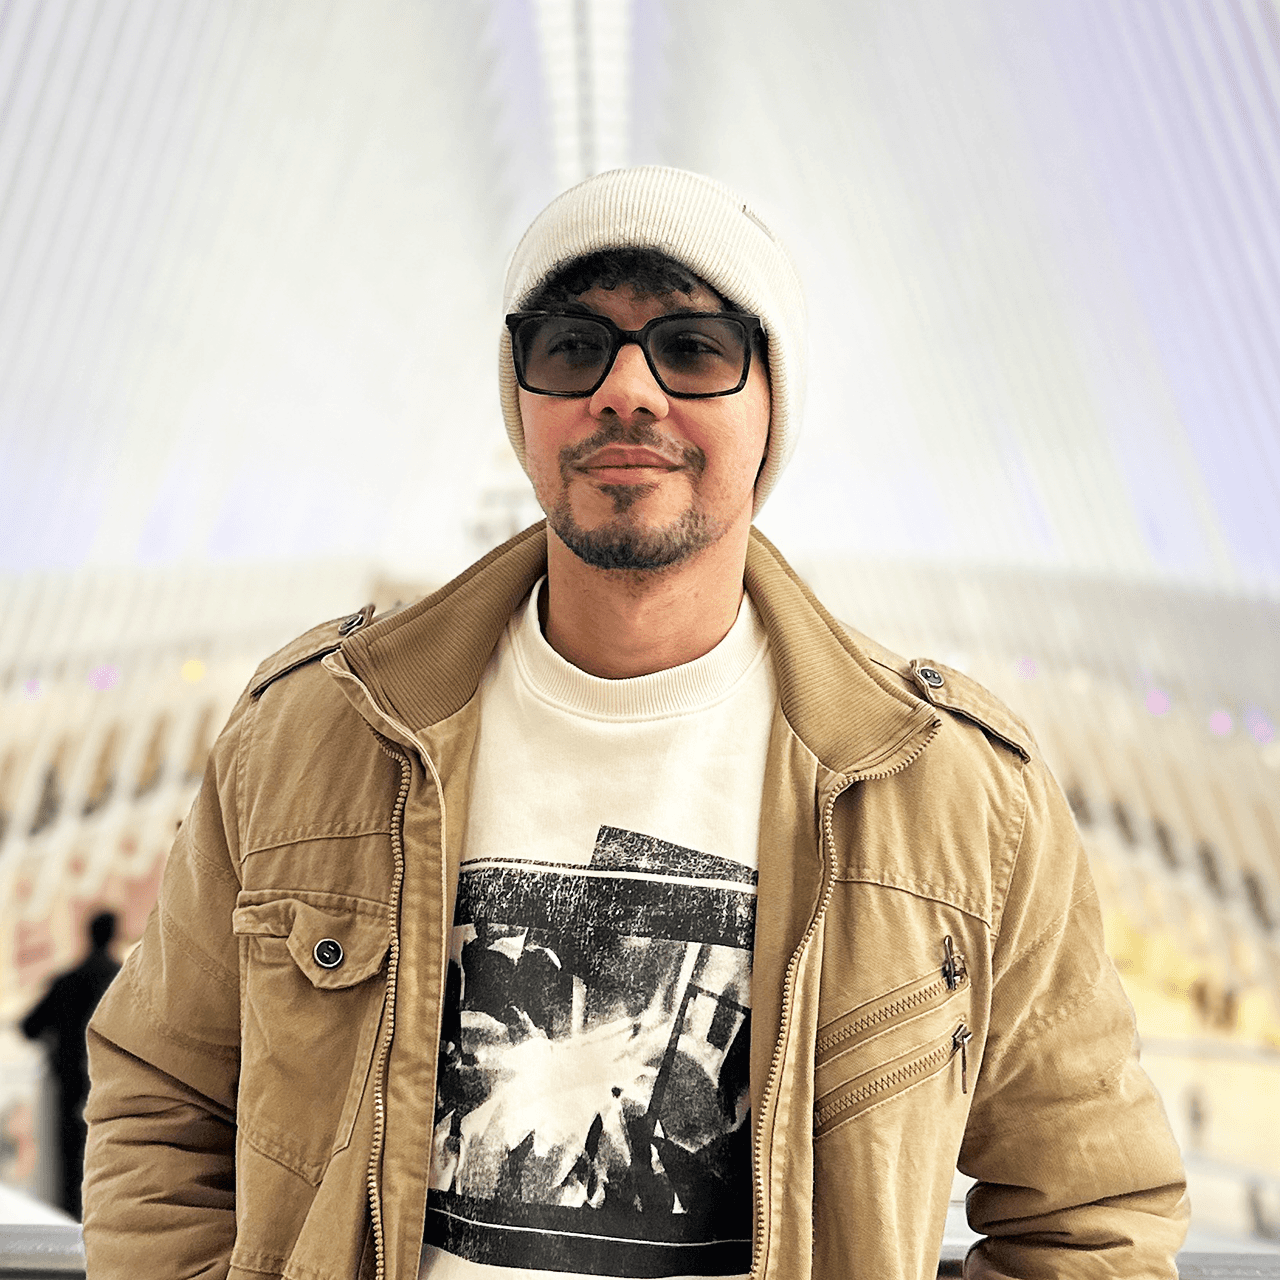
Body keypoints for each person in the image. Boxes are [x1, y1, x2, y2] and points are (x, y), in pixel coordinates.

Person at [83, 167, 1189, 1280]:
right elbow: (159, 1097)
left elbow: (1091, 1209)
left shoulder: (951, 795)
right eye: (572, 346)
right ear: (520, 403)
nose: (627, 390)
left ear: (771, 411)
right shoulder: (314, 735)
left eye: (692, 347)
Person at [22, 909, 120, 1219]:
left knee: (69, 1164)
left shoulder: (67, 982)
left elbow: (29, 1027)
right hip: (113, 1087)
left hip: (69, 1086)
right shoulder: (124, 982)